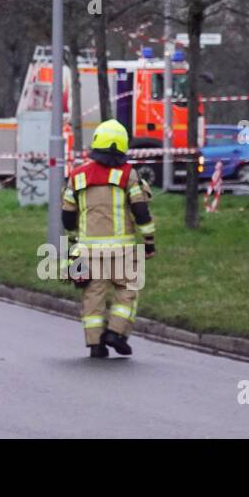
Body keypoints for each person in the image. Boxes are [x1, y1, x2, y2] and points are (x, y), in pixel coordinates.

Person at [61, 119, 156, 358]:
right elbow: (141, 212)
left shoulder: (78, 175)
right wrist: (149, 242)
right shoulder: (128, 175)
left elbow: (67, 217)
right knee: (127, 289)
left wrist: (76, 237)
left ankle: (96, 344)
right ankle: (116, 331)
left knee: (93, 295)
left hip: (88, 251)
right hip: (122, 250)